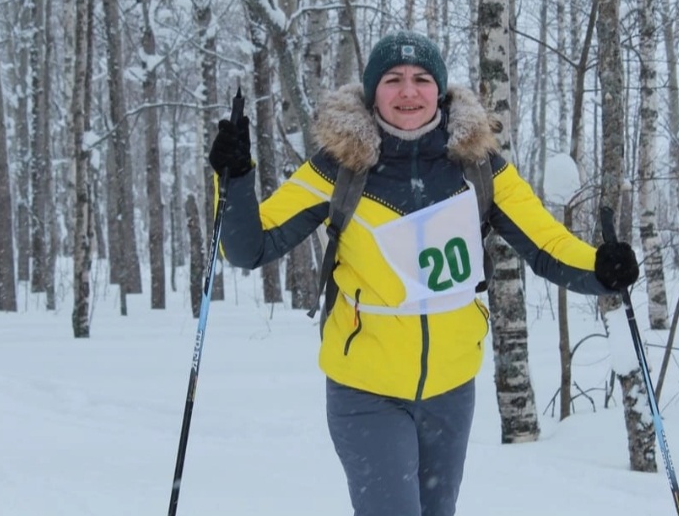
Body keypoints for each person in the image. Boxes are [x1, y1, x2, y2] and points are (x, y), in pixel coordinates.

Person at [208, 30, 639, 516]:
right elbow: (250, 246)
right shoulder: (340, 167)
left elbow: (545, 244)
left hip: (451, 391)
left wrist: (601, 268)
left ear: (440, 89)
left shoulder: (478, 166)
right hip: (366, 390)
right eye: (392, 79)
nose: (408, 92)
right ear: (373, 91)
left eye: (421, 78)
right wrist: (235, 179)